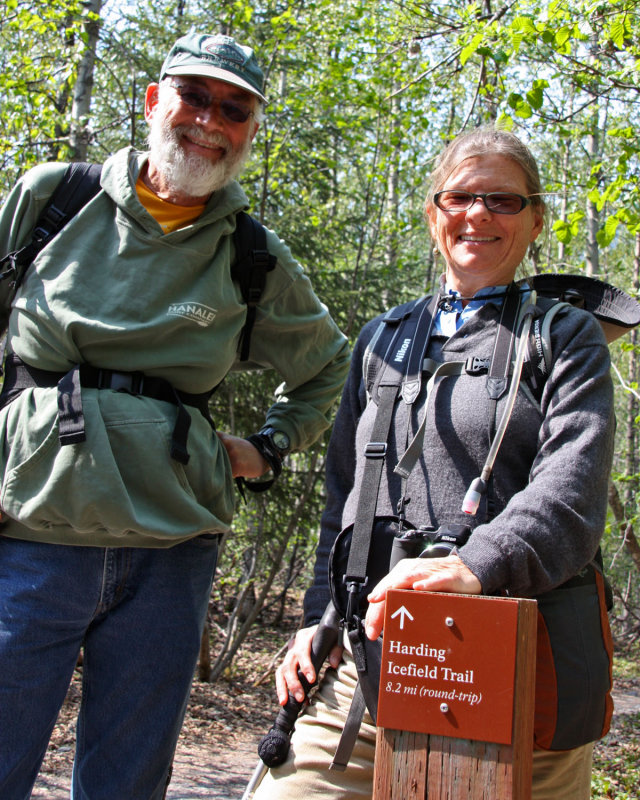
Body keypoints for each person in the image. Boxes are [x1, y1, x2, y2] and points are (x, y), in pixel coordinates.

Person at [0, 32, 349, 799]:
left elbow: (329, 364)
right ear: (156, 101)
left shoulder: (248, 253)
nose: (210, 122)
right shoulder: (55, 199)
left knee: (126, 784)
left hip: (172, 548)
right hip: (31, 533)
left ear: (251, 132)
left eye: (235, 109)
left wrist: (269, 445)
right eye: (195, 96)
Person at [252, 127, 617, 800]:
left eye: (503, 201)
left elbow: (572, 496)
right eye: (459, 197)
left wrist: (473, 567)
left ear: (536, 219)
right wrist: (318, 617)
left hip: (522, 685)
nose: (477, 214)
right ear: (432, 214)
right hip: (372, 669)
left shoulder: (564, 338)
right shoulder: (383, 340)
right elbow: (345, 498)